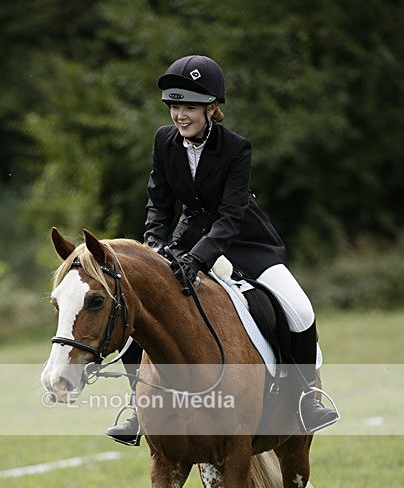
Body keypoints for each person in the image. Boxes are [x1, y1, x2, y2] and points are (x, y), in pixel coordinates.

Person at [107, 54, 338, 445]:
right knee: (139, 304)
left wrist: (198, 258)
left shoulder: (236, 149)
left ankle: (304, 400)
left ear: (212, 108)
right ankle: (136, 404)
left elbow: (231, 216)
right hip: (184, 240)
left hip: (245, 242)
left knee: (300, 309)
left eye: (190, 107)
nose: (181, 115)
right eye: (175, 106)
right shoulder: (164, 141)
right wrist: (155, 244)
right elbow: (158, 204)